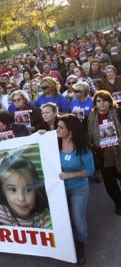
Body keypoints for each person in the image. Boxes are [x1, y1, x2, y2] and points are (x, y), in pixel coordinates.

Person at [57, 114, 95, 265]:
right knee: (63, 218)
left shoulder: (83, 148)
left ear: (70, 131)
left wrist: (70, 175)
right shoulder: (54, 143)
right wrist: (40, 135)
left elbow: (90, 171)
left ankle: (81, 246)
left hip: (78, 188)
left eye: (60, 127)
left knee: (78, 220)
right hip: (58, 190)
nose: (57, 130)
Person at [0, 153, 51, 228]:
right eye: (13, 190)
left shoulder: (43, 215)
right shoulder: (1, 213)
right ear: (3, 192)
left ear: (36, 190)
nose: (21, 198)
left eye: (28, 190)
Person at [87, 90, 121, 215]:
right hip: (102, 155)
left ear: (110, 101)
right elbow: (86, 135)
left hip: (119, 152)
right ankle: (119, 203)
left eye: (105, 100)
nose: (102, 103)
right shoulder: (90, 118)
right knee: (110, 184)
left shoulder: (118, 112)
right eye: (99, 101)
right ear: (95, 103)